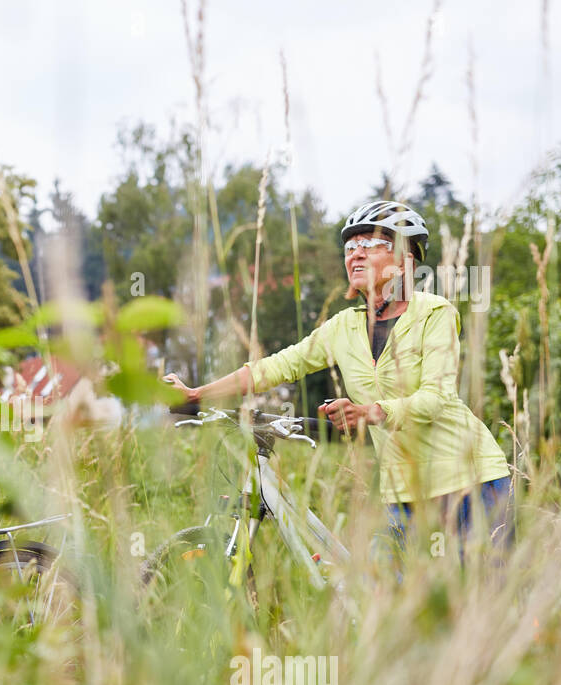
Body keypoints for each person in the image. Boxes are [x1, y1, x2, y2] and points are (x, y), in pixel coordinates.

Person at [164, 200, 513, 562]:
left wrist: (370, 412)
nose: (356, 255)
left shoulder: (434, 313)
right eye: (350, 247)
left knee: (479, 601)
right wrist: (196, 394)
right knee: (382, 602)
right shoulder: (343, 327)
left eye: (372, 244)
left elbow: (436, 398)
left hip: (469, 481)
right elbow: (271, 369)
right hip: (402, 493)